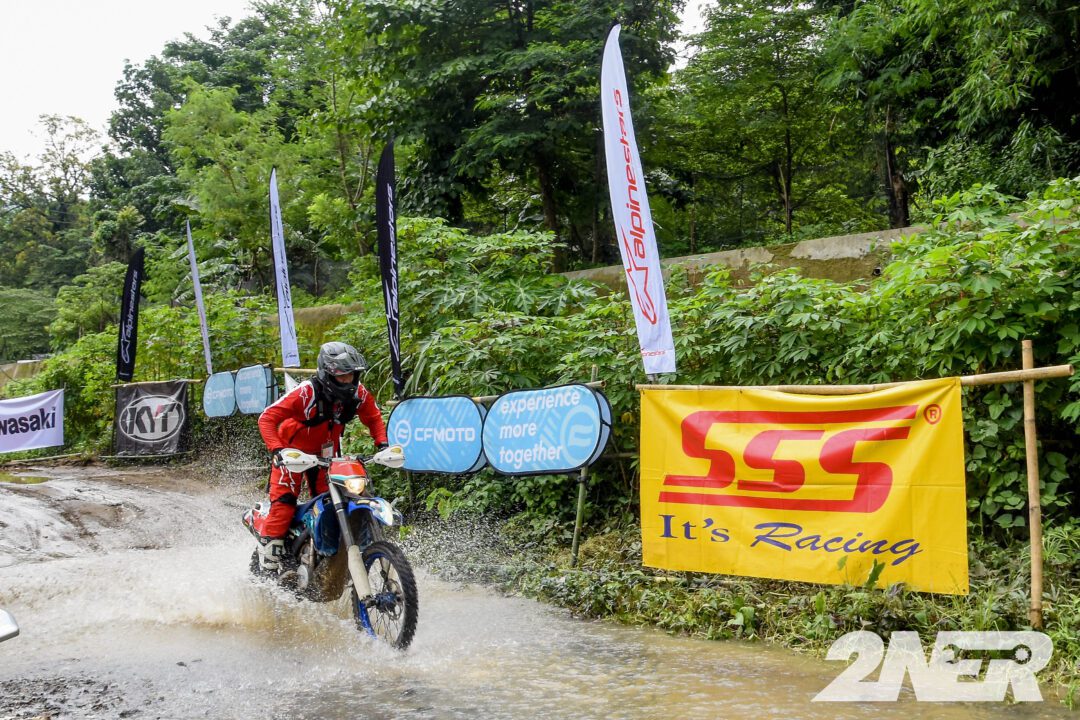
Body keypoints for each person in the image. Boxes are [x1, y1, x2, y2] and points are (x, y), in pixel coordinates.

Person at [243, 341, 388, 570]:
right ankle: (269, 564)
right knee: (284, 505)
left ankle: (322, 554)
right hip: (292, 454)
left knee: (331, 501)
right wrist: (278, 450)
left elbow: (373, 417)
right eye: (341, 375)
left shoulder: (358, 393)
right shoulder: (306, 393)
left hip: (327, 457)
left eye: (351, 375)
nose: (347, 380)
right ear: (327, 374)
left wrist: (383, 444)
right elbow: (267, 418)